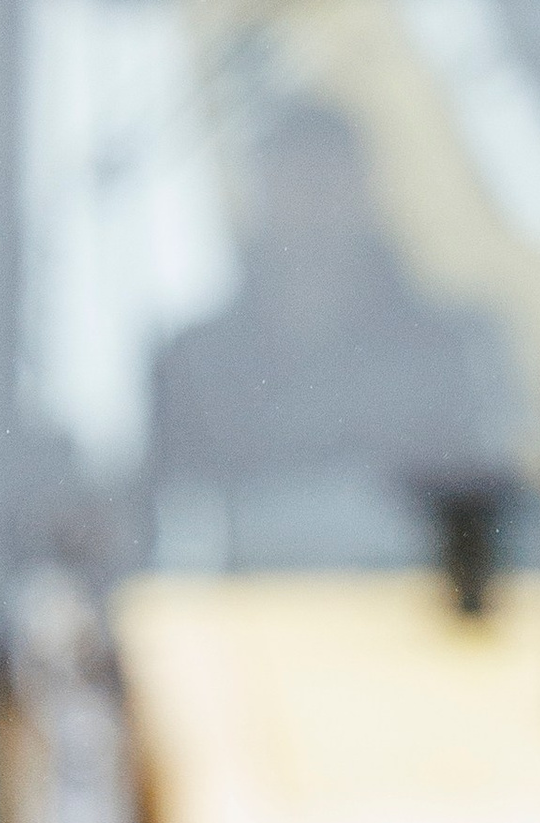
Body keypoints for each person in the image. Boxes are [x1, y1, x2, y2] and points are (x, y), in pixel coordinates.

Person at [152, 100, 518, 536]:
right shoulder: (192, 366)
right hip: (239, 600)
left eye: (327, 186)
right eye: (292, 187)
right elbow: (167, 516)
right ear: (260, 201)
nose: (312, 211)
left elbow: (486, 506)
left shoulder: (455, 349)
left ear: (364, 194)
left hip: (411, 597)